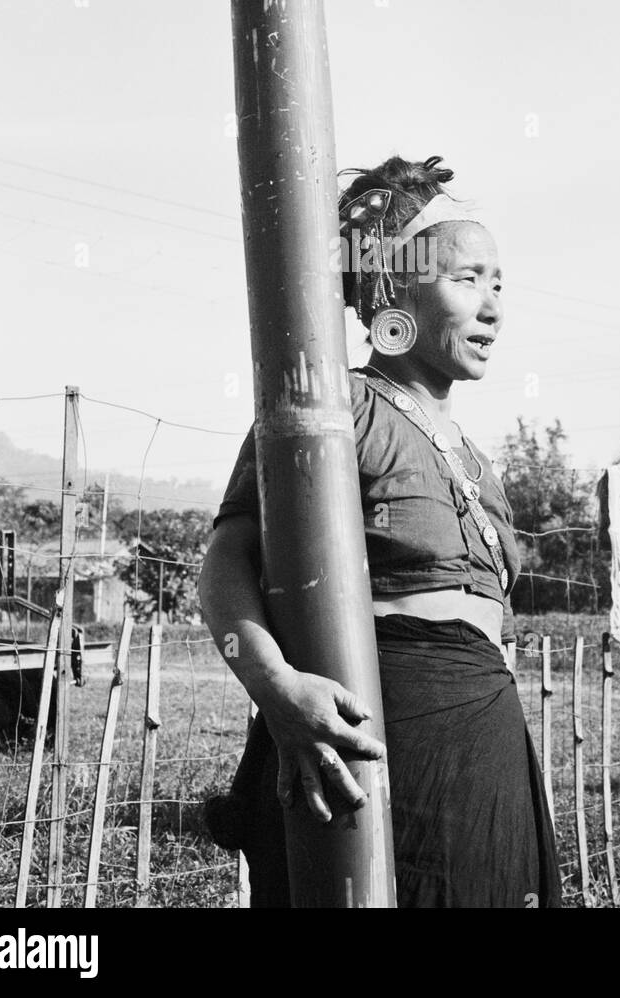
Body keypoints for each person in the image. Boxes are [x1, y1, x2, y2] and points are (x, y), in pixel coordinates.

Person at [199, 154, 561, 909]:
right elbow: (227, 563)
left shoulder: (475, 459)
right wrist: (279, 691)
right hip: (382, 743)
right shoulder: (335, 414)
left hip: (484, 743)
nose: (494, 306)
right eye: (468, 279)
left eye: (500, 283)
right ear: (394, 289)